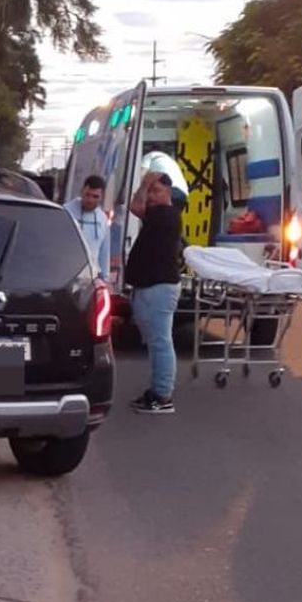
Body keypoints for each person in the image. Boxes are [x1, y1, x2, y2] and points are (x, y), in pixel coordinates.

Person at [125, 151, 186, 415]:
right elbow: (137, 206)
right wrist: (145, 184)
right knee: (155, 342)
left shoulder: (167, 215)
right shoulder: (158, 213)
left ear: (168, 192)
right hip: (149, 286)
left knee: (161, 342)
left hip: (159, 288)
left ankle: (163, 397)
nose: (151, 195)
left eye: (156, 190)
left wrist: (144, 184)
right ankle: (156, 391)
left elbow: (135, 206)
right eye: (151, 191)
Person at [64, 175, 111, 280]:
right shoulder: (66, 212)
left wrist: (105, 278)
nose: (90, 200)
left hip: (91, 277)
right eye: (87, 195)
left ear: (102, 197)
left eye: (95, 197)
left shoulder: (102, 219)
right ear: (82, 192)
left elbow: (104, 251)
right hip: (67, 275)